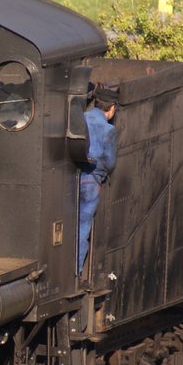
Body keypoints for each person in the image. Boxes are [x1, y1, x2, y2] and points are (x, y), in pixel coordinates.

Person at [78, 87, 117, 276]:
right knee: (83, 227)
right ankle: (76, 271)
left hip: (71, 176)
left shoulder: (81, 118)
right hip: (91, 180)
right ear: (112, 108)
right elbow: (110, 161)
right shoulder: (108, 129)